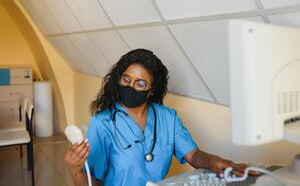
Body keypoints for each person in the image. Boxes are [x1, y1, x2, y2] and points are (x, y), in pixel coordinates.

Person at [64, 49, 250, 186]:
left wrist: (213, 161)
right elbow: (92, 181)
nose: (131, 87)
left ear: (151, 90)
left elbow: (192, 154)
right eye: (126, 80)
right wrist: (75, 169)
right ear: (118, 79)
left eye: (141, 83)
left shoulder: (167, 118)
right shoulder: (103, 122)